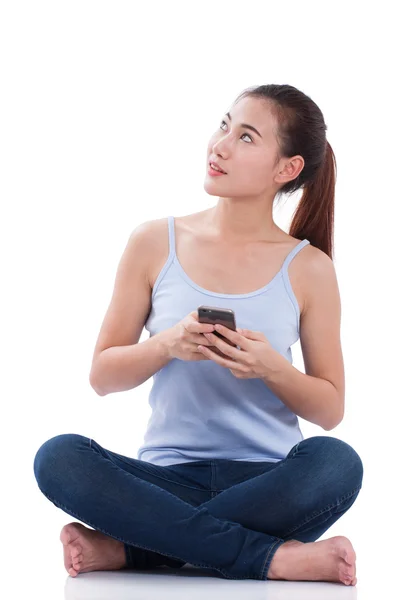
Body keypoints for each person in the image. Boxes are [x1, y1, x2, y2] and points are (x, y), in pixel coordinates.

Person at [33, 83, 363, 584]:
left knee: (337, 464)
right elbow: (102, 376)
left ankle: (140, 549)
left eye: (247, 137)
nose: (220, 144)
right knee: (58, 458)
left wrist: (272, 368)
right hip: (163, 480)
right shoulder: (153, 241)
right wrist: (167, 345)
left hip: (268, 481)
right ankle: (269, 559)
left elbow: (330, 410)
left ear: (287, 169)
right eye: (225, 125)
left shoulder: (309, 268)